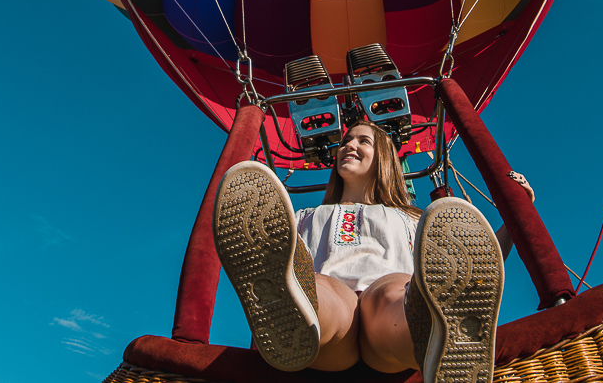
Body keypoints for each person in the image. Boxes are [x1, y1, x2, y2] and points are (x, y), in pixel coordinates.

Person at [213, 120, 504, 383]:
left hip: (391, 315)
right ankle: (290, 314)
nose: (348, 145)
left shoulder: (415, 219)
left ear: (385, 158)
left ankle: (437, 333)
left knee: (391, 292)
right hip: (330, 324)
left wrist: (513, 225)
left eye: (363, 141)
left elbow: (478, 265)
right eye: (345, 142)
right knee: (321, 288)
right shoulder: (303, 216)